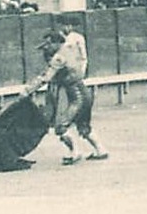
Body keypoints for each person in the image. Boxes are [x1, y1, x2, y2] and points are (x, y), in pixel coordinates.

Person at [22, 18, 102, 165]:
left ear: (56, 43)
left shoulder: (59, 57)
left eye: (48, 45)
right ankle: (101, 150)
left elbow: (46, 77)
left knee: (61, 126)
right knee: (83, 125)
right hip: (84, 93)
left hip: (77, 96)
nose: (46, 49)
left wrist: (27, 90)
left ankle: (76, 152)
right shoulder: (68, 52)